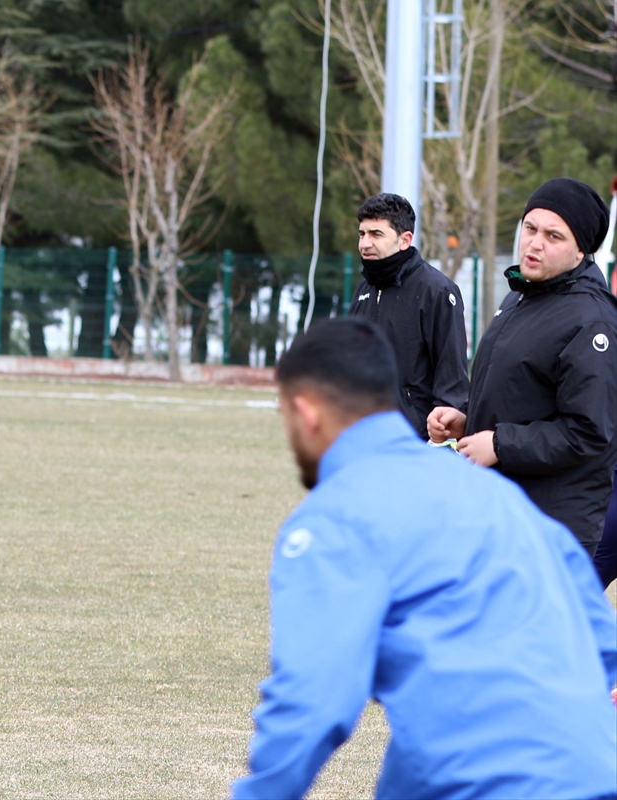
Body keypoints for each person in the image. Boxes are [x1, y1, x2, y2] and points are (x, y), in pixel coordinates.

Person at [232, 319, 617, 800]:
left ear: (306, 413)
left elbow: (312, 703)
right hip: (598, 771)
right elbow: (599, 635)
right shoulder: (497, 496)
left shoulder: (334, 519)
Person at [429, 177, 617, 556]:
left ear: (580, 251)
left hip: (551, 526)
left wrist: (498, 443)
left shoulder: (592, 320)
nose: (535, 243)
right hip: (504, 510)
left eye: (554, 236)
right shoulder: (523, 294)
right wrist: (469, 418)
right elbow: (524, 392)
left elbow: (588, 433)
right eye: (530, 228)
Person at [346, 193, 468, 438]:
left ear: (405, 240)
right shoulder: (363, 289)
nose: (365, 243)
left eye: (376, 234)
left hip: (413, 440)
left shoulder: (437, 290)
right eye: (362, 234)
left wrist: (438, 435)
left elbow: (451, 378)